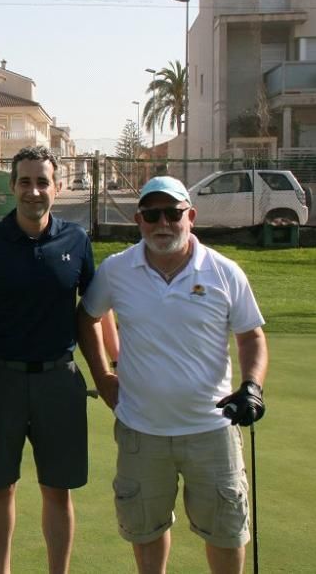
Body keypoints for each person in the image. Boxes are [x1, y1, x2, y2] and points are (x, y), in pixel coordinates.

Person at [77, 175, 268, 574]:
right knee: (146, 528)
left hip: (212, 429)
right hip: (141, 431)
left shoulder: (223, 271)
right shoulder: (117, 270)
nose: (162, 223)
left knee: (226, 532)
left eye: (172, 213)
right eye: (152, 214)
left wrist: (251, 387)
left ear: (191, 216)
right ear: (139, 219)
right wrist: (104, 376)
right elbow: (88, 316)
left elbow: (251, 336)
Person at [0, 145, 117, 574]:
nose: (33, 191)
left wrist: (111, 366)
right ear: (12, 187)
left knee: (58, 491)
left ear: (57, 187)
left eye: (42, 181)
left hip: (58, 381)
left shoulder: (76, 240)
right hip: (0, 381)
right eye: (25, 181)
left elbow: (97, 308)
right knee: (0, 488)